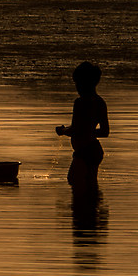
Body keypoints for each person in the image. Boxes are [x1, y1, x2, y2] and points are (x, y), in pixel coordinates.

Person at [55, 61, 109, 191]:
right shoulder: (100, 102)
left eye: (78, 83)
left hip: (85, 152)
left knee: (74, 182)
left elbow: (76, 129)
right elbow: (104, 132)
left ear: (86, 83)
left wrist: (63, 130)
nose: (77, 87)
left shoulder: (80, 102)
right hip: (95, 151)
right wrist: (88, 131)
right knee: (90, 189)